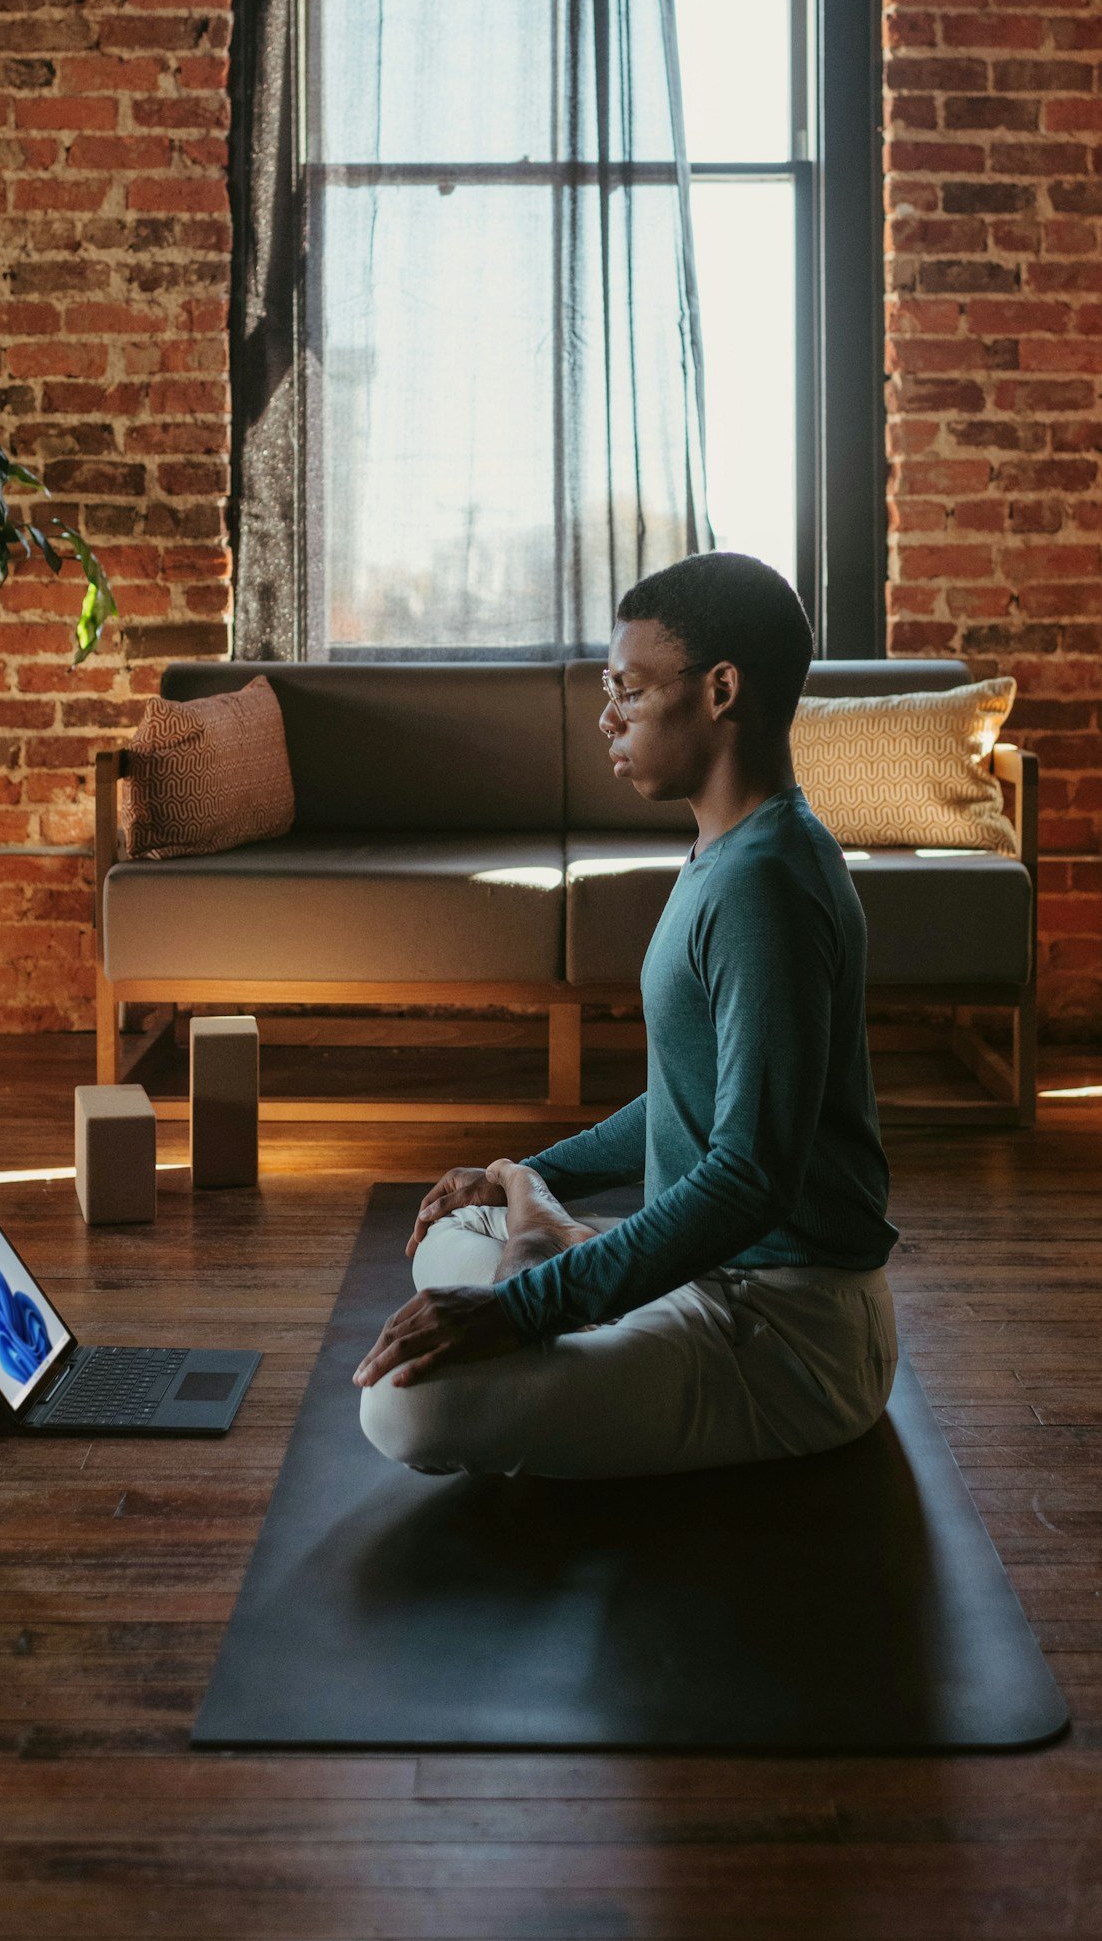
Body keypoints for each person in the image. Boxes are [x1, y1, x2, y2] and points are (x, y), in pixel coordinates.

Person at [353, 550, 899, 1480]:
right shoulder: (726, 854)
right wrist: (525, 1169)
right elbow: (685, 1098)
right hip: (711, 1280)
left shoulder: (767, 882)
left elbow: (749, 1176)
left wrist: (524, 1311)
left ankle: (543, 1249)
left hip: (787, 1330)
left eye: (629, 690)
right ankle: (534, 1222)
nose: (607, 717)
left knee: (403, 1412)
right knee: (454, 1236)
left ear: (720, 690)